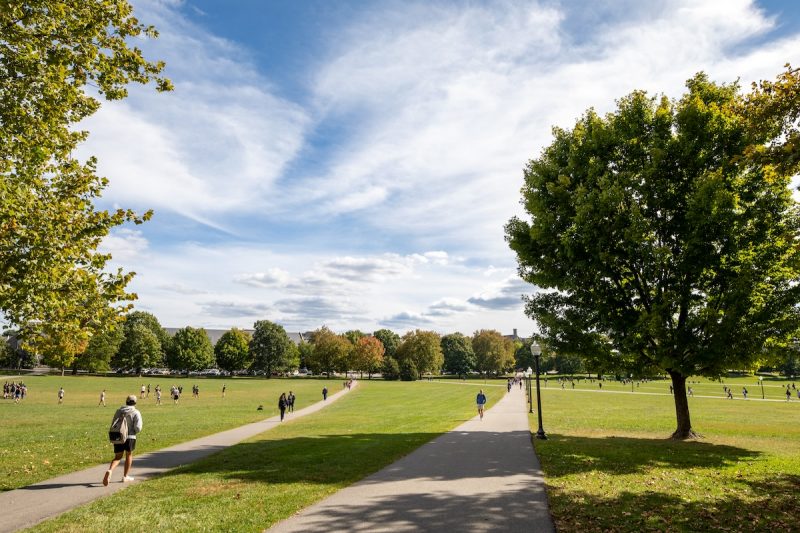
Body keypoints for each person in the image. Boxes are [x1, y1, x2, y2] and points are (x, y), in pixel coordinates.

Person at [103, 395, 143, 486]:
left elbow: (114, 423)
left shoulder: (119, 411)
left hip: (119, 436)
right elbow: (138, 427)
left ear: (126, 402)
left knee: (117, 457)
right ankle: (125, 476)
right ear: (135, 402)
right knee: (129, 455)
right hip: (130, 437)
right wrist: (134, 432)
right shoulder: (136, 412)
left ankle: (110, 470)